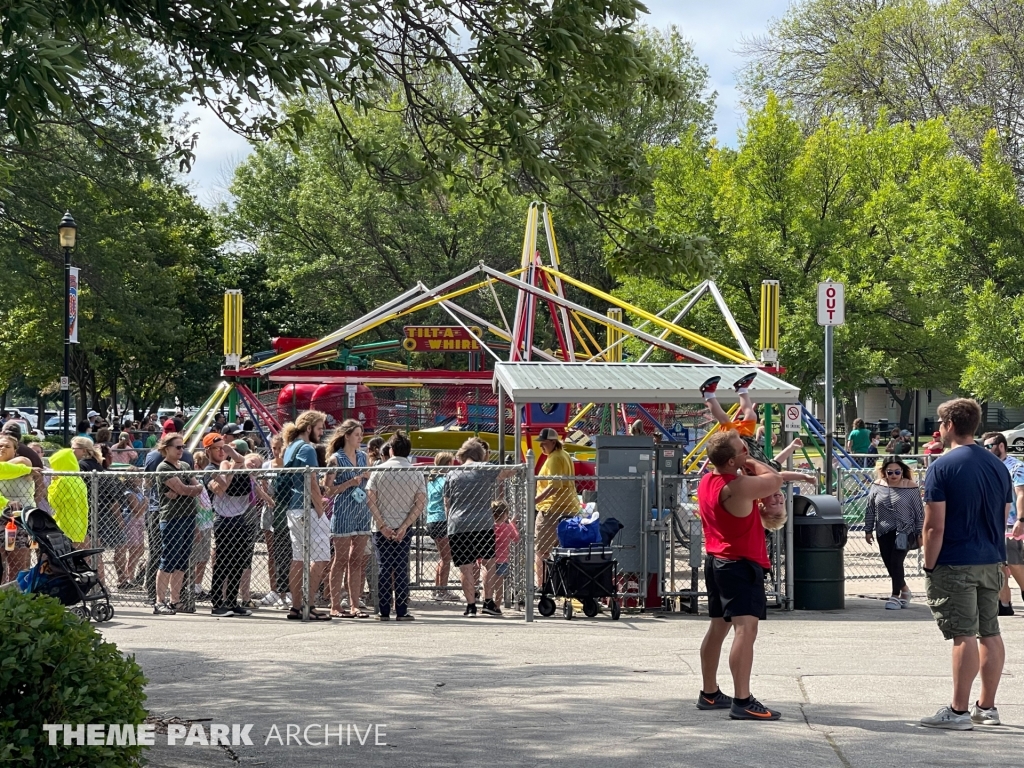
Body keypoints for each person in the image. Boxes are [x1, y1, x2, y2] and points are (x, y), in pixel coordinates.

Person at [920, 398, 1011, 730]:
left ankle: (958, 711)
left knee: (963, 634)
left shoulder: (941, 467)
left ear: (948, 426)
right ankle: (986, 707)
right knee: (990, 631)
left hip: (955, 561)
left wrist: (929, 564)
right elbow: (1002, 518)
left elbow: (933, 526)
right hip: (991, 559)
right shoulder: (998, 466)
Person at [695, 429, 784, 721]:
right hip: (739, 564)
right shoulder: (738, 486)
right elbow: (775, 478)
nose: (747, 450)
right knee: (745, 631)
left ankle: (709, 693)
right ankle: (742, 699)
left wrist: (741, 460)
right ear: (732, 461)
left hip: (717, 561)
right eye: (743, 448)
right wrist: (752, 462)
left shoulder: (707, 481)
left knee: (718, 628)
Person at [366, 431, 425, 621]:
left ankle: (383, 610)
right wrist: (405, 526)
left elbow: (370, 498)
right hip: (403, 525)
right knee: (400, 567)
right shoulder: (415, 473)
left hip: (381, 526)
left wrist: (382, 525)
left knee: (384, 567)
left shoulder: (379, 470)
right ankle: (401, 609)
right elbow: (420, 502)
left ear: (390, 450)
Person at [282, 410, 331, 620]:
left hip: (293, 507)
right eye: (319, 428)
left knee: (298, 558)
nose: (321, 433)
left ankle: (296, 606)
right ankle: (309, 605)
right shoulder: (308, 449)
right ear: (309, 428)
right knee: (319, 557)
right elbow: (311, 481)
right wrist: (320, 508)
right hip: (308, 507)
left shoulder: (290, 448)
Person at [444, 438, 501, 617]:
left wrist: (450, 521)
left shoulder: (452, 474)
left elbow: (447, 502)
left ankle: (470, 606)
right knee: (488, 562)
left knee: (465, 566)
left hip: (458, 523)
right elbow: (505, 474)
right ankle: (488, 601)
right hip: (482, 522)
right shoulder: (485, 470)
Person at [202, 432, 254, 617]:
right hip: (222, 519)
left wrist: (232, 454)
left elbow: (242, 461)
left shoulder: (232, 463)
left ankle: (232, 600)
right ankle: (217, 603)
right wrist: (228, 469)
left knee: (238, 561)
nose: (222, 452)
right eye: (217, 449)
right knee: (223, 562)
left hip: (239, 518)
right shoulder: (210, 470)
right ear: (208, 451)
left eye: (224, 448)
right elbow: (219, 489)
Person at [324, 419, 372, 618]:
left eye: (361, 435)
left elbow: (369, 477)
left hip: (362, 511)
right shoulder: (335, 459)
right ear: (347, 436)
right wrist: (349, 483)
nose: (360, 439)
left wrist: (367, 477)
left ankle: (355, 604)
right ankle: (335, 604)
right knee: (341, 558)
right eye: (357, 435)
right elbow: (328, 489)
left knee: (357, 560)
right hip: (343, 510)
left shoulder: (363, 457)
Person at [153, 433, 204, 615]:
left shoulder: (184, 465)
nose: (181, 450)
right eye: (178, 447)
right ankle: (160, 601)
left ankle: (175, 600)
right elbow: (183, 488)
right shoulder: (163, 467)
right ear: (167, 449)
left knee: (182, 560)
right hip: (172, 518)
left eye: (183, 447)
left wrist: (188, 490)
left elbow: (198, 487)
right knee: (169, 559)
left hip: (189, 517)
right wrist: (188, 490)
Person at [865, 458, 924, 610]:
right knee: (889, 563)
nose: (893, 475)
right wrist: (868, 529)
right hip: (883, 530)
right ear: (884, 472)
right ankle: (905, 590)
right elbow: (870, 508)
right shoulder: (877, 485)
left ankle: (895, 596)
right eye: (889, 472)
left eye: (897, 472)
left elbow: (919, 513)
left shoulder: (911, 487)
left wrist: (920, 532)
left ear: (903, 471)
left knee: (897, 561)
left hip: (904, 530)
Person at [980, 432, 1024, 616]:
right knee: (998, 565)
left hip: (1011, 522)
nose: (986, 449)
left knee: (1014, 562)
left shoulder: (1016, 467)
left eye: (989, 446)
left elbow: (1021, 493)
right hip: (992, 522)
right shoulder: (987, 466)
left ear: (1001, 446)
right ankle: (1004, 603)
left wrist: (1021, 519)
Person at [533, 427, 579, 585]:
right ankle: (561, 584)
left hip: (552, 510)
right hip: (570, 508)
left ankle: (542, 586)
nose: (541, 447)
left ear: (553, 442)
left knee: (541, 550)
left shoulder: (554, 458)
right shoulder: (564, 455)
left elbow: (554, 485)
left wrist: (535, 500)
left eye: (544, 444)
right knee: (565, 551)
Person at [0, 432, 36, 583]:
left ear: (15, 450)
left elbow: (24, 460)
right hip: (1, 519)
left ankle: (16, 598)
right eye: (0, 445)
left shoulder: (23, 463)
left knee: (18, 564)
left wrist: (22, 470)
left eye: (7, 446)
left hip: (20, 520)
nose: (2, 448)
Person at [425, 452, 458, 602]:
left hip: (432, 519)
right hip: (442, 519)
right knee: (447, 557)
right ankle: (442, 590)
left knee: (442, 556)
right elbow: (447, 502)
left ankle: (437, 588)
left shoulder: (432, 480)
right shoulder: (445, 480)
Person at [491, 499, 520, 613]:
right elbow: (516, 538)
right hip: (502, 559)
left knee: (487, 582)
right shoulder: (507, 527)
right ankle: (497, 606)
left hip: (488, 559)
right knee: (499, 584)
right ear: (505, 514)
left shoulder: (489, 527)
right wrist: (512, 523)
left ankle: (486, 602)